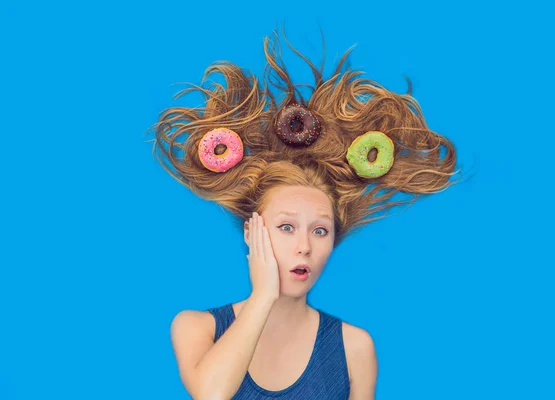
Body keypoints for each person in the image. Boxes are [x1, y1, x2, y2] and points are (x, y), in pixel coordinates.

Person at [148, 25, 460, 399]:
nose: (304, 247)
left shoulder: (353, 348)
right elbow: (212, 394)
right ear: (252, 232)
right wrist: (263, 296)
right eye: (285, 227)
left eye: (320, 231)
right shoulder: (197, 327)